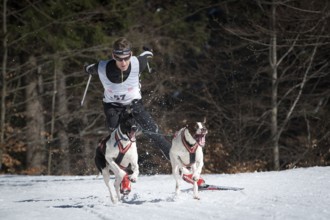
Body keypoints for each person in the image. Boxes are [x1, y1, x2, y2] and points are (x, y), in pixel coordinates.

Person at [85, 37, 205, 190]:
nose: (123, 62)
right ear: (113, 56)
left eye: (126, 58)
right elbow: (90, 68)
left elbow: (147, 55)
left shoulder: (137, 63)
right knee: (119, 143)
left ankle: (185, 171)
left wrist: (149, 50)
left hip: (134, 106)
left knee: (155, 134)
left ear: (131, 54)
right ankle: (124, 178)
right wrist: (87, 68)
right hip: (113, 108)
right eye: (119, 58)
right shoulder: (102, 67)